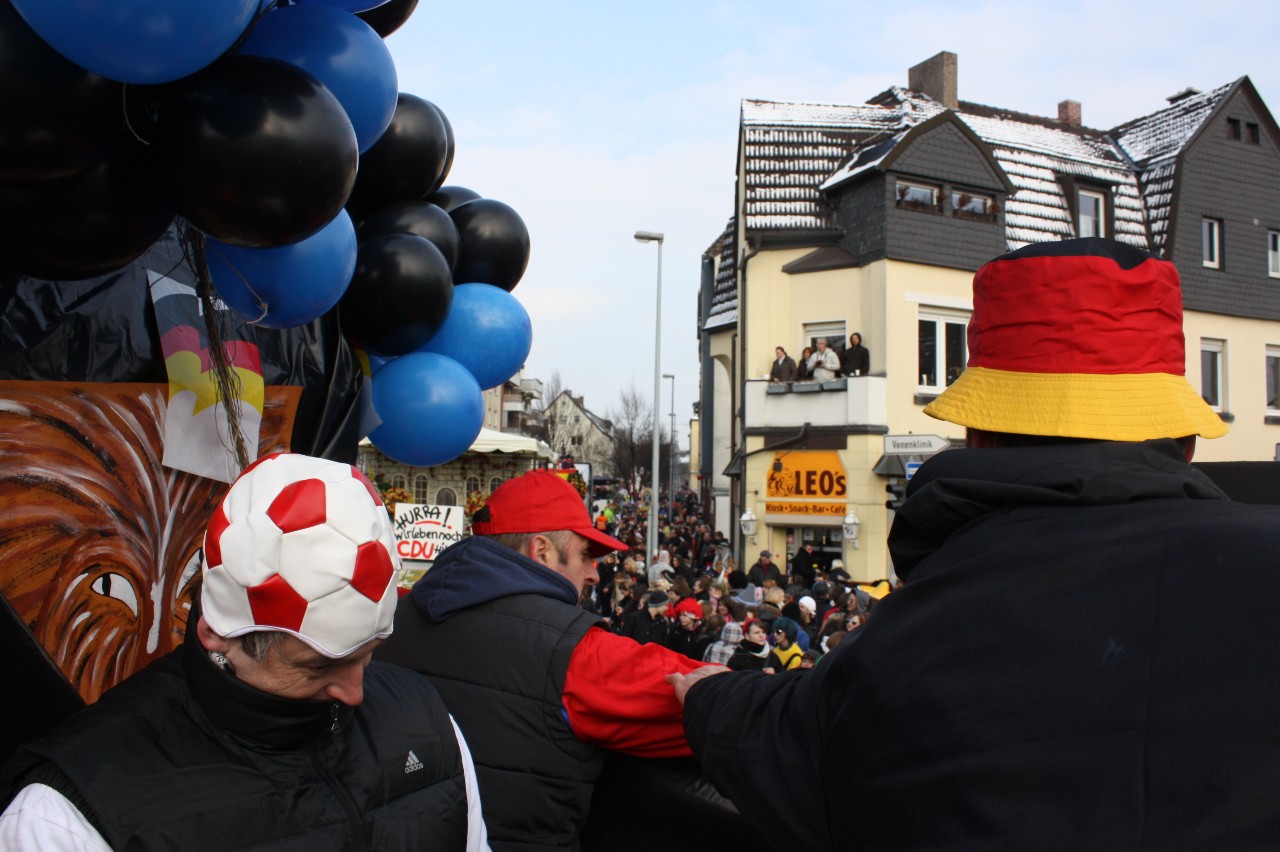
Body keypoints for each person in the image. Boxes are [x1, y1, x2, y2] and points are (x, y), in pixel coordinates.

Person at [667, 238, 1280, 850]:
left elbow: (798, 743)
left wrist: (708, 698)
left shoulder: (912, 637)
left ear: (977, 435)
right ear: (1185, 443)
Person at [0, 453, 487, 851]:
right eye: (320, 666)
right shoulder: (66, 818)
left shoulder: (429, 722)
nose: (357, 692)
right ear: (218, 634)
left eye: (370, 651)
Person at [376, 469, 725, 851]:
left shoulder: (388, 620)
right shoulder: (575, 652)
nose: (593, 574)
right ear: (541, 551)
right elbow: (737, 710)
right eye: (585, 555)